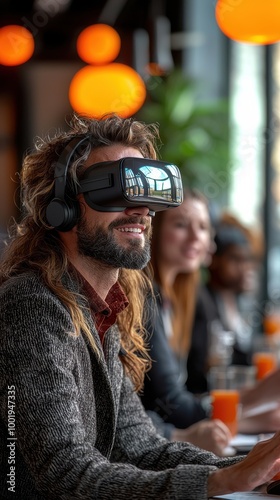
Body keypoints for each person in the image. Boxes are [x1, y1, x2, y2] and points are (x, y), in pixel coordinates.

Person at [1, 113, 280, 500]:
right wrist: (219, 481)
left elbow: (142, 449)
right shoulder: (32, 306)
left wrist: (256, 467)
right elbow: (64, 473)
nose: (140, 211)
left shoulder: (104, 312)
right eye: (114, 191)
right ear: (62, 204)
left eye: (148, 196)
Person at [187, 217, 259, 395]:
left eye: (247, 260)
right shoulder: (202, 302)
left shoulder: (240, 301)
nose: (245, 268)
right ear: (214, 260)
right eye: (235, 259)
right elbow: (198, 367)